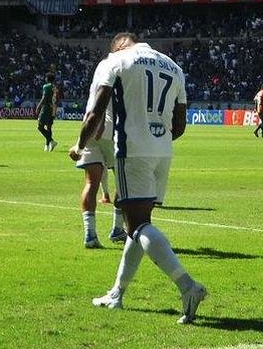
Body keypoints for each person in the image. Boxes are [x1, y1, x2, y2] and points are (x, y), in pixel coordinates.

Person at [70, 32, 207, 324]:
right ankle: (117, 292)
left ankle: (188, 286)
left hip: (132, 150)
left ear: (119, 45)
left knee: (139, 224)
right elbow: (179, 124)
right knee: (138, 225)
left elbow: (95, 112)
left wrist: (79, 146)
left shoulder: (115, 61)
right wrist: (158, 140)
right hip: (162, 152)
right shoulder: (172, 65)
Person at [70, 55, 124, 248]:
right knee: (123, 182)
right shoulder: (120, 69)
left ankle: (90, 235)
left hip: (89, 128)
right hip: (111, 131)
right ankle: (117, 229)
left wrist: (80, 143)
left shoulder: (100, 69)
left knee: (91, 182)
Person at [35, 72, 59, 151]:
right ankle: (47, 144)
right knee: (49, 127)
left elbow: (44, 97)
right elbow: (57, 99)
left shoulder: (46, 86)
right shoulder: (55, 87)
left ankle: (51, 141)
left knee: (40, 126)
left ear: (47, 78)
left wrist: (38, 106)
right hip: (53, 108)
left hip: (46, 108)